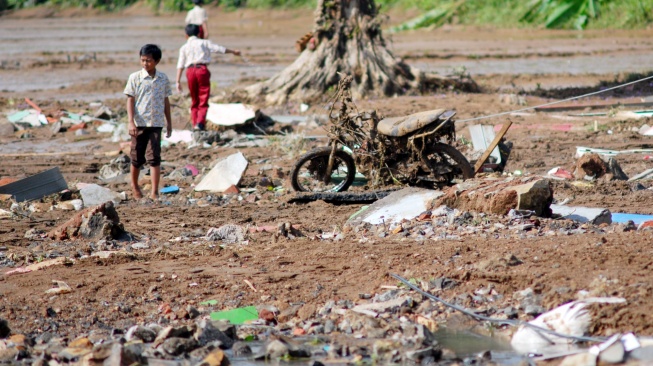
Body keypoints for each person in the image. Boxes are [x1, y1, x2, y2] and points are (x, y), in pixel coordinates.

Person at [124, 44, 172, 201]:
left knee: (154, 158)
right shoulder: (135, 77)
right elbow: (130, 100)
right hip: (139, 123)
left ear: (157, 61)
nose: (145, 63)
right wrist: (130, 122)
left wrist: (169, 122)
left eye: (149, 61)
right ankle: (135, 186)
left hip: (156, 123)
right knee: (136, 157)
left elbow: (166, 101)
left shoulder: (163, 78)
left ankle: (154, 192)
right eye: (142, 60)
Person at [176, 24, 241, 131]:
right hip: (202, 70)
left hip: (190, 71)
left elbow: (180, 64)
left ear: (186, 35)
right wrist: (233, 52)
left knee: (194, 99)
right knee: (203, 97)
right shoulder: (204, 43)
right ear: (198, 33)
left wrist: (178, 81)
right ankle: (200, 123)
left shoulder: (184, 47)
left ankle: (194, 123)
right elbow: (219, 49)